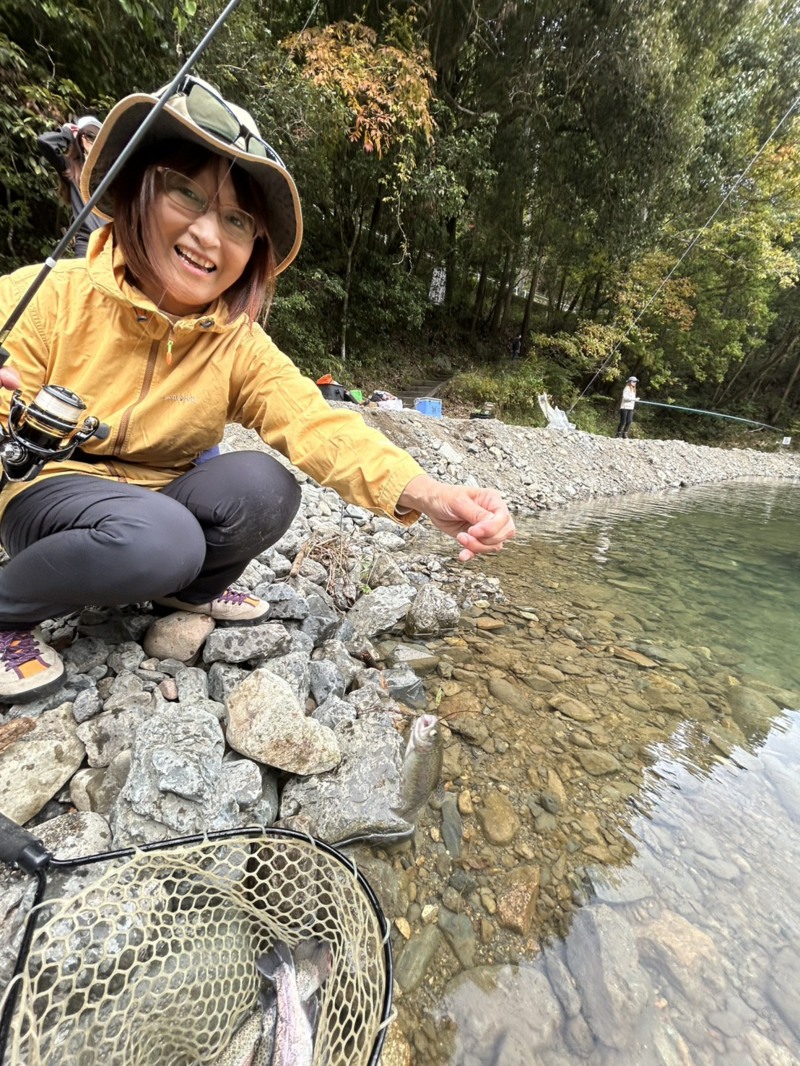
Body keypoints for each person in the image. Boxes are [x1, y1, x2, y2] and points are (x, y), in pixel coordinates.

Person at [0, 76, 516, 703]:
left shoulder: (236, 342)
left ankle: (182, 590)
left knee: (266, 488)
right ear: (137, 189)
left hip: (157, 501)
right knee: (166, 537)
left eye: (237, 220)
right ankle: (8, 614)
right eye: (185, 193)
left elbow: (316, 424)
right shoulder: (47, 294)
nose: (207, 237)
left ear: (254, 249)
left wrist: (431, 496)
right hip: (47, 495)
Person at [37, 115, 108, 257]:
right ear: (81, 139)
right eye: (90, 135)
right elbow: (45, 142)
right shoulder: (72, 168)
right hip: (87, 241)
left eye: (98, 136)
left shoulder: (110, 167)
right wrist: (68, 133)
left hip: (112, 240)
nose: (94, 141)